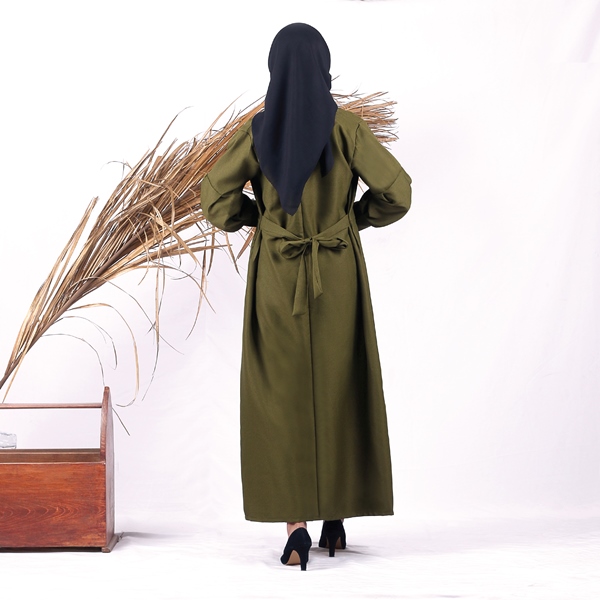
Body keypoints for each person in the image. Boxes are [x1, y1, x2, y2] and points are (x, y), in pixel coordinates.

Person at [200, 23, 412, 570]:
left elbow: (215, 197)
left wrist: (260, 220)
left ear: (274, 71)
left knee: (282, 395)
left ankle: (296, 528)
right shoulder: (347, 128)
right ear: (324, 68)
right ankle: (335, 520)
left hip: (277, 274)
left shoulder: (257, 132)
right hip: (337, 272)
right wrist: (352, 220)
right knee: (341, 385)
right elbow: (398, 192)